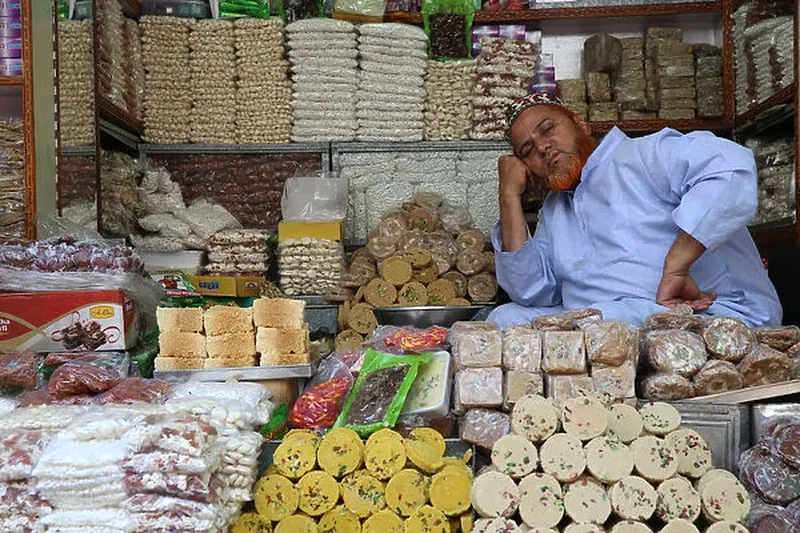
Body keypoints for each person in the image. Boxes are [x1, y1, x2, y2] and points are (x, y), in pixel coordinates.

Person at [487, 92, 782, 329]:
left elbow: (731, 168)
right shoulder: (554, 211)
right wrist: (508, 195)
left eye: (548, 129)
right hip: (603, 323)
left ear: (580, 123)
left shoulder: (644, 154)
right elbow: (532, 291)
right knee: (504, 320)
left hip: (712, 315)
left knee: (601, 320)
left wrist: (677, 267)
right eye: (527, 151)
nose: (542, 148)